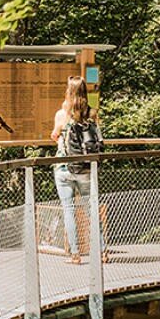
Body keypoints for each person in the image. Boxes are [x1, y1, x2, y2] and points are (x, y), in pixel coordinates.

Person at [50, 76, 102, 263]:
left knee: (69, 210)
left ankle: (75, 254)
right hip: (86, 169)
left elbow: (55, 136)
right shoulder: (92, 113)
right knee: (91, 210)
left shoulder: (61, 114)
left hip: (63, 167)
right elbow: (98, 139)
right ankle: (102, 251)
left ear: (68, 91)